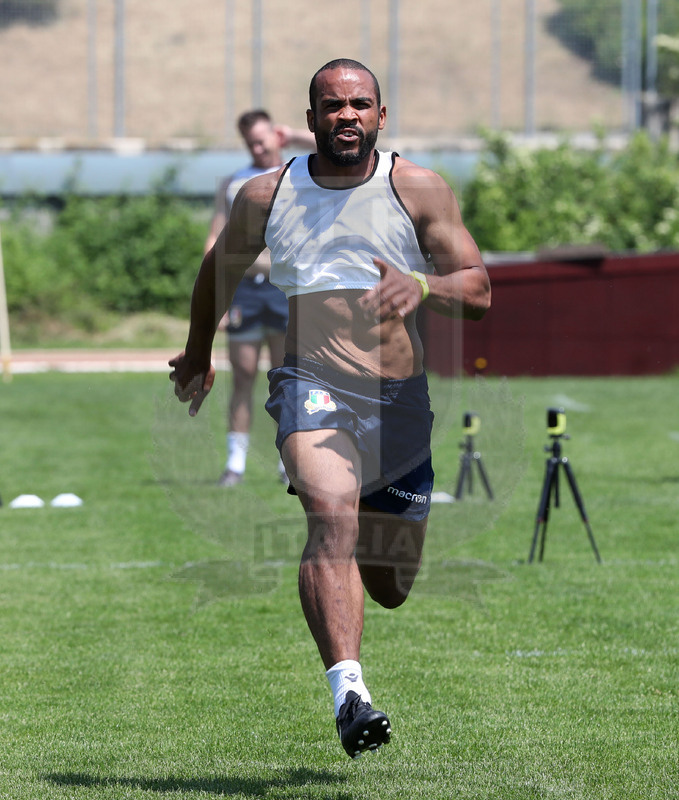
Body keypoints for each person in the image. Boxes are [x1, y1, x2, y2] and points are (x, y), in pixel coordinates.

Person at [170, 59, 490, 758]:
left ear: (380, 115)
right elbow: (217, 272)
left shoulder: (417, 187)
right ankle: (349, 694)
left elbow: (478, 288)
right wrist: (197, 353)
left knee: (391, 585)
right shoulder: (267, 194)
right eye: (333, 104)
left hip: (398, 403)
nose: (347, 114)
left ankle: (370, 571)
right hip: (309, 381)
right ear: (310, 118)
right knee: (330, 515)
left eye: (360, 104)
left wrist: (420, 285)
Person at [205, 109, 315, 487]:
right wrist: (215, 297)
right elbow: (215, 239)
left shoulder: (298, 173)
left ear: (275, 135)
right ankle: (235, 463)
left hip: (285, 288)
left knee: (286, 379)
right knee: (243, 375)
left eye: (262, 139)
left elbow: (343, 152)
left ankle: (289, 462)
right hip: (245, 291)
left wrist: (295, 134)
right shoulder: (234, 182)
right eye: (249, 142)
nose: (257, 147)